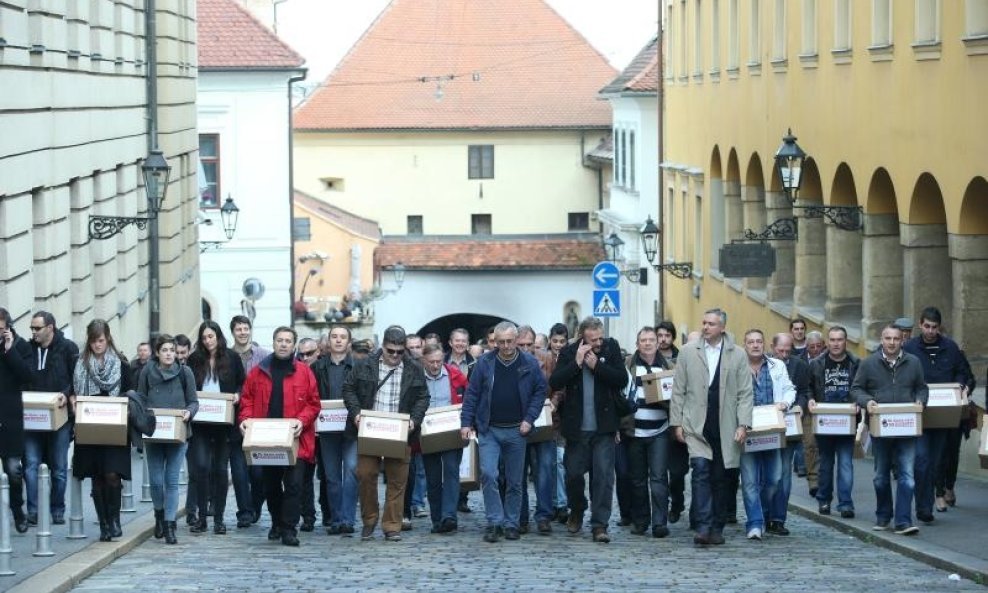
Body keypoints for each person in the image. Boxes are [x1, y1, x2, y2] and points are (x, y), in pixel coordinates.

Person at [670, 308, 753, 546]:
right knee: (700, 472)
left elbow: (745, 393)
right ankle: (703, 526)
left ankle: (717, 526)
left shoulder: (737, 354)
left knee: (721, 477)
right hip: (696, 423)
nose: (706, 327)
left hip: (725, 425)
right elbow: (679, 390)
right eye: (704, 323)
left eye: (712, 324)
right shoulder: (688, 352)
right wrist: (677, 423)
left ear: (723, 327)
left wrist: (743, 424)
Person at [461, 321, 546, 543]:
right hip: (489, 429)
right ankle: (494, 522)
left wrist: (530, 418)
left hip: (518, 429)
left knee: (515, 480)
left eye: (510, 341)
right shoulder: (485, 363)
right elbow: (472, 394)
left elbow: (539, 391)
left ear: (517, 340)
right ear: (495, 342)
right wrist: (466, 422)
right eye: (501, 342)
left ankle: (511, 523)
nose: (506, 346)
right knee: (489, 474)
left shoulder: (529, 362)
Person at [344, 326, 430, 542]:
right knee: (365, 474)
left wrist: (414, 420)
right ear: (383, 346)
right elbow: (348, 389)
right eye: (390, 350)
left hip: (400, 430)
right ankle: (369, 520)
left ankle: (392, 525)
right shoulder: (365, 365)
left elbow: (423, 397)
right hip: (369, 429)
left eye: (399, 352)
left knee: (398, 479)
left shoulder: (414, 368)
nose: (394, 356)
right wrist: (356, 414)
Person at [238, 326, 321, 546]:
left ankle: (289, 528)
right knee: (271, 486)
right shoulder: (258, 372)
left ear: (293, 345)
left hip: (296, 439)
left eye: (287, 341)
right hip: (266, 439)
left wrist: (301, 421)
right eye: (279, 340)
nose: (283, 344)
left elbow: (314, 404)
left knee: (294, 485)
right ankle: (276, 521)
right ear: (273, 343)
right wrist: (245, 419)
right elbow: (246, 399)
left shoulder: (304, 372)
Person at [550, 316, 628, 544]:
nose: (597, 343)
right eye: (593, 339)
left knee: (603, 477)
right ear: (583, 336)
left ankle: (599, 524)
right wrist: (576, 363)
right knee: (573, 474)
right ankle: (577, 509)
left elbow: (621, 379)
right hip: (577, 428)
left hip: (604, 427)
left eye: (600, 338)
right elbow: (555, 381)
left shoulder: (611, 348)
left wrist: (597, 366)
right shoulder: (569, 352)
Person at [851, 323, 928, 535]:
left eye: (896, 339)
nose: (892, 343)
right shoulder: (868, 363)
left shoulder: (913, 362)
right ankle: (884, 515)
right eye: (888, 338)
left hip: (907, 428)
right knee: (880, 476)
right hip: (881, 428)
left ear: (902, 340)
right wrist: (868, 402)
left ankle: (903, 520)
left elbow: (922, 388)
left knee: (907, 476)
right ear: (881, 340)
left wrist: (921, 401)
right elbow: (856, 389)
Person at [902, 306, 969, 524]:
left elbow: (963, 372)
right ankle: (924, 506)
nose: (931, 331)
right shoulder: (910, 348)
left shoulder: (950, 348)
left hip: (944, 413)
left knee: (939, 459)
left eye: (934, 327)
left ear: (939, 328)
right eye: (927, 326)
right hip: (920, 413)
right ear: (920, 325)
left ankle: (936, 495)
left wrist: (961, 386)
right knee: (921, 460)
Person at [71, 319, 134, 542]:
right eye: (93, 341)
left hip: (114, 426)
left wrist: (125, 408)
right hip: (89, 425)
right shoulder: (79, 363)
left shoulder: (121, 364)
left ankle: (114, 519)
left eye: (100, 340)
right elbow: (73, 390)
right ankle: (104, 524)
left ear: (107, 338)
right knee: (96, 476)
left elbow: (130, 392)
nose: (97, 345)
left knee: (112, 474)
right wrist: (72, 400)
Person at [186, 321, 246, 533]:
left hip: (224, 423)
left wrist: (237, 394)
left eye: (211, 336)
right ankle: (202, 517)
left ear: (218, 336)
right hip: (201, 423)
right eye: (204, 338)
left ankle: (219, 518)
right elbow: (188, 385)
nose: (207, 341)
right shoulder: (194, 359)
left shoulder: (232, 358)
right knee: (201, 467)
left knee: (221, 470)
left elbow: (242, 382)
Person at [139, 335, 197, 545]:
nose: (169, 354)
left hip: (178, 433)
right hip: (154, 433)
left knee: (171, 480)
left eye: (172, 350)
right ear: (157, 353)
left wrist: (189, 413)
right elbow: (140, 399)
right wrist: (143, 416)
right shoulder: (147, 371)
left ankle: (170, 525)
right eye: (165, 350)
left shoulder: (185, 372)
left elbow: (193, 401)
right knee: (155, 482)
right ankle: (159, 515)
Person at [739, 329, 795, 540]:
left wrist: (785, 403)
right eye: (751, 342)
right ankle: (754, 523)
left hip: (772, 428)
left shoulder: (777, 365)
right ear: (745, 344)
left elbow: (790, 389)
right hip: (748, 430)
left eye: (759, 341)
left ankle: (760, 513)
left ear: (764, 344)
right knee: (750, 480)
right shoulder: (737, 367)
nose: (755, 345)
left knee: (774, 478)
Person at [25, 311, 78, 526]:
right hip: (32, 415)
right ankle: (34, 510)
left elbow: (77, 378)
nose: (34, 332)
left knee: (58, 466)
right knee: (30, 463)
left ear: (50, 328)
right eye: (32, 328)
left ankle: (57, 508)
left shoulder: (68, 348)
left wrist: (66, 395)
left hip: (59, 416)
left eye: (37, 328)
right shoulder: (28, 350)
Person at [624, 326, 673, 538]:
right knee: (637, 479)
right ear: (637, 344)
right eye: (643, 340)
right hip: (634, 432)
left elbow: (678, 397)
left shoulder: (668, 367)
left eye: (651, 339)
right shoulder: (628, 365)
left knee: (659, 478)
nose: (647, 343)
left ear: (657, 342)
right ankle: (641, 520)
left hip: (660, 430)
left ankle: (660, 523)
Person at [808, 326, 859, 519]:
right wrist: (811, 399)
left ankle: (846, 504)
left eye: (840, 340)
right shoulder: (816, 363)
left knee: (846, 463)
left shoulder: (855, 363)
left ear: (846, 341)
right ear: (827, 342)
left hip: (847, 421)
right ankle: (824, 500)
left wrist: (859, 403)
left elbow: (862, 387)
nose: (836, 343)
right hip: (825, 421)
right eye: (832, 339)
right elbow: (809, 387)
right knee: (826, 464)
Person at [311, 325, 358, 536]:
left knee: (351, 472)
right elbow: (311, 396)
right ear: (328, 341)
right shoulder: (317, 367)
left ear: (349, 342)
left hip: (352, 428)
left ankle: (348, 519)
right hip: (327, 429)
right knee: (331, 476)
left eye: (342, 337)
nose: (338, 340)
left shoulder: (359, 366)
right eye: (334, 337)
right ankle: (336, 519)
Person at [767, 332, 811, 536]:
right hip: (765, 426)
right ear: (772, 347)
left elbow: (804, 391)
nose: (784, 354)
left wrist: (802, 405)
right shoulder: (763, 364)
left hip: (789, 427)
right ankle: (764, 514)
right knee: (767, 475)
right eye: (780, 350)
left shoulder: (799, 366)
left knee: (783, 475)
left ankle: (778, 518)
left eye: (787, 350)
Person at [420, 343, 468, 533]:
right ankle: (437, 519)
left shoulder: (455, 375)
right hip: (428, 433)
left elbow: (469, 398)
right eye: (431, 362)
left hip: (451, 431)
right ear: (424, 361)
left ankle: (449, 516)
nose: (435, 365)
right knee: (432, 478)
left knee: (451, 472)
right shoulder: (417, 379)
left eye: (439, 361)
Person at [513, 325, 556, 535]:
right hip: (516, 423)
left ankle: (544, 515)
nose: (526, 348)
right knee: (518, 472)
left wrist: (554, 401)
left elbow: (558, 386)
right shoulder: (508, 360)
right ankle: (521, 517)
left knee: (545, 470)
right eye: (521, 345)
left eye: (529, 344)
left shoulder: (546, 359)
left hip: (543, 420)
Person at [228, 315, 269, 528]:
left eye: (245, 328)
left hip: (259, 419)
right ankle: (244, 511)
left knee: (258, 471)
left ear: (250, 330)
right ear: (232, 332)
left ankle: (255, 503)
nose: (242, 332)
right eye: (238, 329)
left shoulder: (264, 356)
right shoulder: (226, 356)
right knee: (238, 470)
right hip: (234, 419)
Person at [0, 307, 33, 533]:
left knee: (13, 470)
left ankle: (17, 510)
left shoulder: (20, 346)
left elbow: (28, 376)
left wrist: (10, 351)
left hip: (10, 418)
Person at [656, 321, 688, 525]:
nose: (662, 339)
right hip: (657, 421)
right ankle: (662, 506)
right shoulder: (649, 357)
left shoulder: (682, 357)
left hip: (679, 421)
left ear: (673, 337)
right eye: (659, 335)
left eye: (667, 335)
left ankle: (677, 503)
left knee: (677, 471)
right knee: (659, 471)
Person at [543, 322, 569, 523]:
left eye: (562, 341)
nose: (558, 345)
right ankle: (552, 502)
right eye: (555, 341)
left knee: (560, 461)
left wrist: (557, 400)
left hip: (565, 418)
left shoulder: (570, 358)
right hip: (547, 417)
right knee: (549, 463)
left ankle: (561, 503)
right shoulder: (544, 359)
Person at [295, 336, 322, 531]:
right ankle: (307, 515)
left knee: (328, 476)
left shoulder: (324, 369)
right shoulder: (295, 370)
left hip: (327, 430)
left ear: (318, 352)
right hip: (304, 430)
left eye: (309, 354)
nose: (305, 358)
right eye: (301, 354)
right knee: (303, 476)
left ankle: (328, 515)